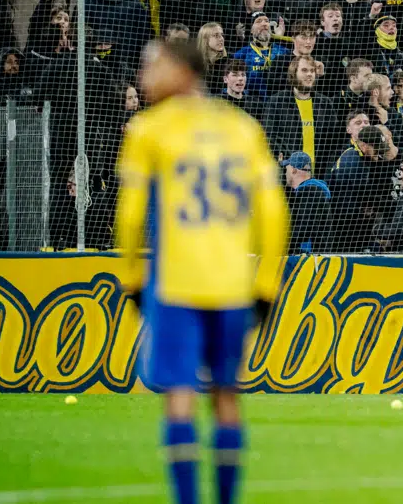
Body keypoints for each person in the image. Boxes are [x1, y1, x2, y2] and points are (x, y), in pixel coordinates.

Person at [113, 40, 288, 504]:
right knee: (227, 397)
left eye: (154, 66)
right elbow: (273, 213)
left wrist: (130, 277)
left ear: (183, 71)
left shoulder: (148, 129)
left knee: (180, 396)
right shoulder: (243, 126)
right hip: (232, 285)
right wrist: (266, 285)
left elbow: (129, 216)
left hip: (177, 284)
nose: (144, 76)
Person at [281, 151, 332, 254]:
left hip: (309, 257)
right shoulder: (309, 190)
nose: (285, 173)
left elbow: (304, 228)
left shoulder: (311, 192)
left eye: (287, 169)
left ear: (294, 171)